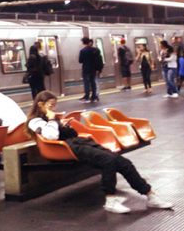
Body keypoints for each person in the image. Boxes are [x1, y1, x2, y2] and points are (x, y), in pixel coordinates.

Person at [26, 91, 173, 214]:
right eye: (51, 105)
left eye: (54, 105)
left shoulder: (49, 118)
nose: (53, 108)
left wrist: (61, 124)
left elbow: (61, 132)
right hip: (69, 148)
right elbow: (50, 136)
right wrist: (53, 121)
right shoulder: (35, 121)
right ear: (40, 105)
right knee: (108, 161)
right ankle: (110, 199)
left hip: (81, 142)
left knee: (122, 162)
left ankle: (150, 195)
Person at [78, 37, 104, 103]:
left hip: (86, 69)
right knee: (93, 83)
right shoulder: (96, 50)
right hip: (93, 69)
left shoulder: (83, 51)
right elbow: (99, 59)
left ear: (83, 42)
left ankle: (87, 97)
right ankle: (94, 97)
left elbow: (80, 61)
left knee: (86, 83)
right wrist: (98, 68)